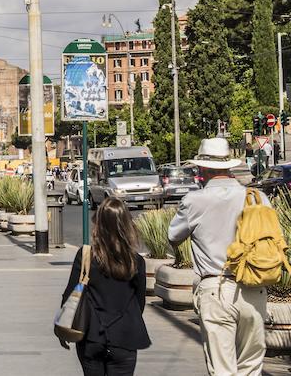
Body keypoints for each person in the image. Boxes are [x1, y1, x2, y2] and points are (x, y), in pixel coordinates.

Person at [169, 138, 268, 376]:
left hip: (216, 287)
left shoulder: (195, 201)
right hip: (254, 287)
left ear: (202, 168)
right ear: (229, 166)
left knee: (223, 368)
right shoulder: (256, 198)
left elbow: (173, 236)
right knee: (251, 367)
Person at [60, 197, 150, 375]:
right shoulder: (136, 261)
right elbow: (140, 302)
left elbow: (69, 294)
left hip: (91, 336)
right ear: (126, 225)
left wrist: (64, 328)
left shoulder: (86, 256)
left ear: (98, 224)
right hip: (124, 338)